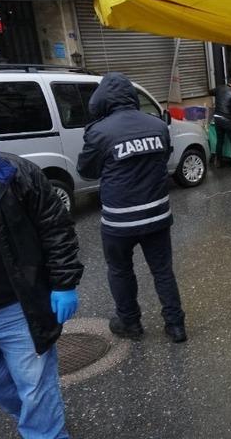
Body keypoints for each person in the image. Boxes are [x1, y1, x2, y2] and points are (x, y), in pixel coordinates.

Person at [0, 123, 83, 438]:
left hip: (17, 309)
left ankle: (44, 427)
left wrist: (64, 283)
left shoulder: (17, 174)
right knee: (0, 385)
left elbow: (55, 227)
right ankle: (38, 417)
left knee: (35, 387)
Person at [77, 72, 187, 344]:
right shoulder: (157, 124)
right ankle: (176, 326)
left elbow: (86, 171)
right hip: (157, 214)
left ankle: (130, 322)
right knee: (162, 271)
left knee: (120, 270)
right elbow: (165, 157)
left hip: (119, 221)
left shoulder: (99, 131)